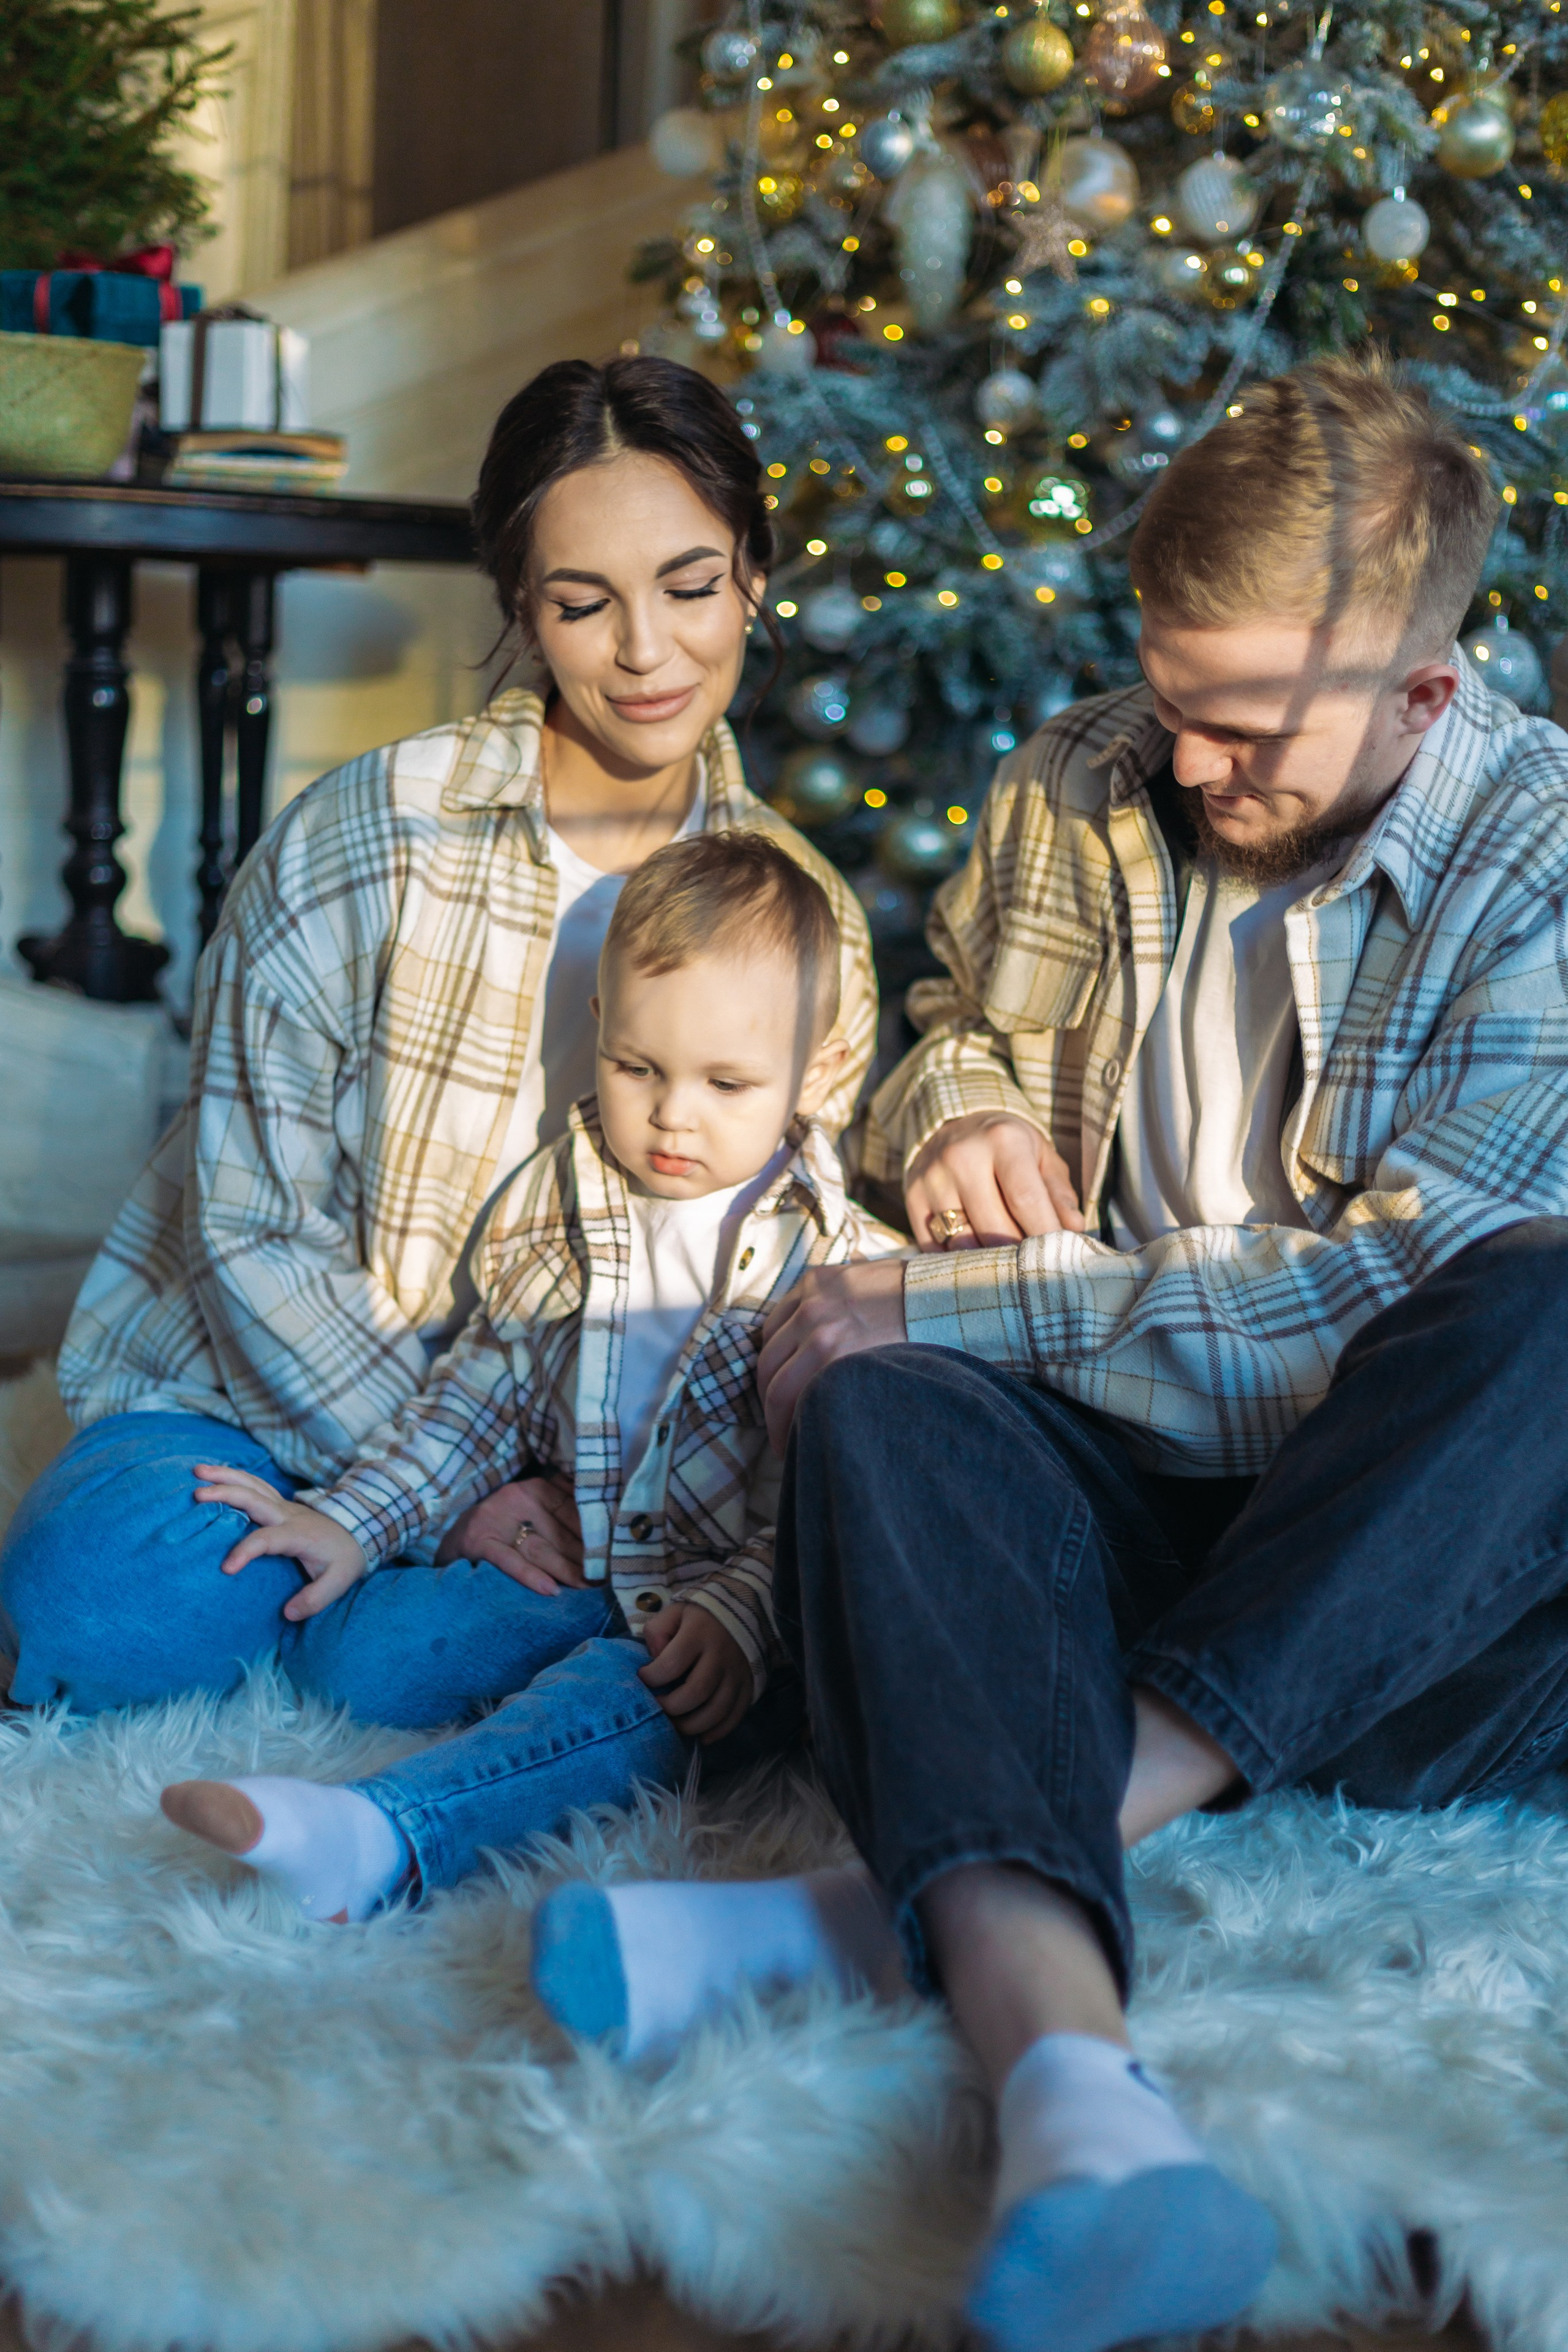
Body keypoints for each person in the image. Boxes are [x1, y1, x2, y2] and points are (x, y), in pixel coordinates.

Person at [527, 356, 1568, 2352]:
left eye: (1245, 729)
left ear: (1421, 698)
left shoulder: (1544, 866)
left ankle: (891, 1895)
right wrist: (961, 1114)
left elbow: (1369, 1306)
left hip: (1429, 1605)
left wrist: (957, 1294)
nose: (1188, 765)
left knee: (1551, 1309)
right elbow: (953, 1024)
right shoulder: (1086, 773)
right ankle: (1074, 2095)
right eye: (1172, 700)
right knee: (880, 1400)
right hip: (1122, 1521)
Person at [0, 356, 875, 1724]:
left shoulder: (800, 921)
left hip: (574, 1465)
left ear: (755, 575)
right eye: (583, 603)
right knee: (96, 1608)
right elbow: (248, 1225)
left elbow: (760, 1274)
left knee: (414, 1659)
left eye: (691, 587)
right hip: (261, 1395)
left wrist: (575, 1497)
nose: (646, 653)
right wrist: (439, 1489)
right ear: (520, 606)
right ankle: (365, 1599)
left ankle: (382, 1629)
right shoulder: (364, 834)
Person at [155, 832, 903, 1920]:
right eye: (638, 1067)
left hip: (728, 1628)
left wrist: (743, 1615)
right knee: (360, 1661)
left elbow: (827, 1502)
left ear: (819, 1068)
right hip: (580, 1571)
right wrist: (354, 1522)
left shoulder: (842, 1267)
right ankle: (535, 1709)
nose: (671, 1115)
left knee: (625, 1700)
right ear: (599, 1028)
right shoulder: (563, 1192)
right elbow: (480, 1396)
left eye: (727, 1082)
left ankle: (382, 1836)